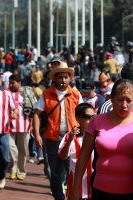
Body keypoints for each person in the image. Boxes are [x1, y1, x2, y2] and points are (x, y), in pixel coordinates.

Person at [70, 79, 133, 200]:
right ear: (111, 99)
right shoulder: (96, 121)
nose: (124, 105)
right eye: (119, 99)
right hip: (101, 191)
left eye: (128, 100)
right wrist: (76, 188)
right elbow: (83, 157)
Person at [33, 61, 83, 200]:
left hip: (72, 138)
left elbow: (83, 114)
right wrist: (37, 135)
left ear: (70, 78)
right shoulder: (46, 94)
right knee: (54, 173)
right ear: (55, 78)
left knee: (72, 170)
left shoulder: (75, 94)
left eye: (66, 77)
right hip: (53, 138)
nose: (63, 80)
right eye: (60, 77)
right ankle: (59, 197)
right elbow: (36, 114)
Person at [58, 103, 95, 199]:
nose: (92, 119)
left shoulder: (99, 135)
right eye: (88, 117)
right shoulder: (70, 136)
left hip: (95, 184)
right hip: (76, 184)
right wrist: (70, 139)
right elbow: (62, 156)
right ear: (78, 119)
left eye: (94, 116)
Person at [8, 74, 37, 180]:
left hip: (24, 126)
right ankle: (13, 169)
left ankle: (21, 171)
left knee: (23, 150)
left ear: (19, 83)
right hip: (9, 125)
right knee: (12, 148)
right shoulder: (7, 94)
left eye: (13, 83)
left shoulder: (27, 93)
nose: (10, 85)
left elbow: (33, 110)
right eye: (9, 83)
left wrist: (32, 124)